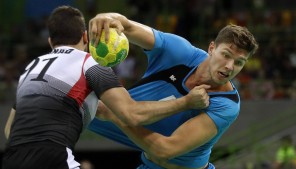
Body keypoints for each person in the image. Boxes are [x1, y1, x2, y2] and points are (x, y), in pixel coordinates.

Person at [2, 6, 210, 169]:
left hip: (11, 159)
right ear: (85, 37)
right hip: (53, 157)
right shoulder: (89, 64)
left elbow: (9, 130)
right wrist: (186, 102)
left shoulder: (31, 69)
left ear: (50, 42)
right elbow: (133, 115)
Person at [88, 13, 259, 169]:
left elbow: (166, 149)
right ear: (212, 48)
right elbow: (127, 25)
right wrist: (107, 18)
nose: (230, 66)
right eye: (226, 55)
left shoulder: (226, 104)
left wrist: (116, 115)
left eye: (239, 62)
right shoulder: (180, 52)